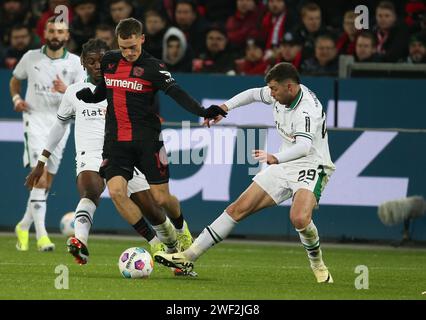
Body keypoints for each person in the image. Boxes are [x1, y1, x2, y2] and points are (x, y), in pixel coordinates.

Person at [154, 62, 336, 284]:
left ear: (289, 87)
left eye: (274, 90)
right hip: (284, 163)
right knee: (237, 208)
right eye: (269, 89)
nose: (270, 94)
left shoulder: (306, 110)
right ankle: (188, 257)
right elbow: (252, 94)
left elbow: (304, 147)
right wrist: (224, 108)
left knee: (299, 218)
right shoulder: (281, 93)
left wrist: (274, 157)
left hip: (311, 164)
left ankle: (317, 264)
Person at [75, 18, 226, 259]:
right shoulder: (110, 61)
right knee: (115, 192)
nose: (128, 52)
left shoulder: (154, 67)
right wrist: (92, 97)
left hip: (149, 141)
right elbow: (106, 89)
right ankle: (157, 244)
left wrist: (203, 111)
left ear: (142, 39)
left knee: (161, 198)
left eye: (133, 47)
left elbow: (177, 93)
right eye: (123, 47)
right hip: (115, 142)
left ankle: (181, 229)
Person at [25, 39, 178, 266]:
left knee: (153, 210)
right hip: (91, 155)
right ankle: (81, 243)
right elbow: (59, 126)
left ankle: (174, 248)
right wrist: (41, 162)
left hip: (124, 153)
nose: (98, 65)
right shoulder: (74, 92)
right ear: (83, 63)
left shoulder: (126, 86)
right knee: (90, 191)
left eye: (102, 60)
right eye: (91, 61)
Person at [11, 16, 86, 252]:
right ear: (45, 33)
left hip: (60, 126)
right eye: (52, 30)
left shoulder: (75, 63)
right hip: (34, 120)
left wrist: (68, 90)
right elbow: (15, 80)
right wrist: (17, 99)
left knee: (47, 182)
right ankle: (42, 236)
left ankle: (23, 225)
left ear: (67, 36)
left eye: (60, 32)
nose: (55, 35)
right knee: (40, 177)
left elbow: (83, 95)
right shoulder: (30, 57)